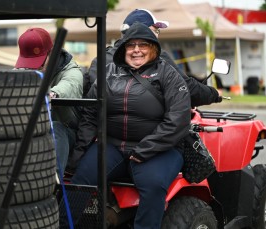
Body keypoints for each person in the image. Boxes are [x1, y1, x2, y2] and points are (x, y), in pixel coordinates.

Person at [70, 22, 191, 229]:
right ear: (123, 48)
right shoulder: (107, 73)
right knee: (80, 180)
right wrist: (79, 153)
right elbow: (90, 115)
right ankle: (67, 225)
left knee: (154, 186)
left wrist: (145, 149)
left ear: (153, 47)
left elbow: (178, 120)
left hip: (159, 150)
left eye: (142, 45)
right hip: (113, 146)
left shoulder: (167, 74)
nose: (136, 50)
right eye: (130, 45)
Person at [83, 9, 221, 106]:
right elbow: (187, 89)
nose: (157, 36)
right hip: (151, 132)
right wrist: (213, 94)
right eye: (155, 31)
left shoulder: (99, 59)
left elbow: (92, 102)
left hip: (105, 133)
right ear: (141, 31)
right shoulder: (158, 57)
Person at [14, 27, 83, 178]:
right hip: (32, 130)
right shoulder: (24, 70)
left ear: (52, 54)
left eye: (37, 61)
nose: (32, 67)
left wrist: (52, 94)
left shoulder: (72, 71)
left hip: (65, 132)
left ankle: (52, 182)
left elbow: (70, 85)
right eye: (28, 61)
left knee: (56, 128)